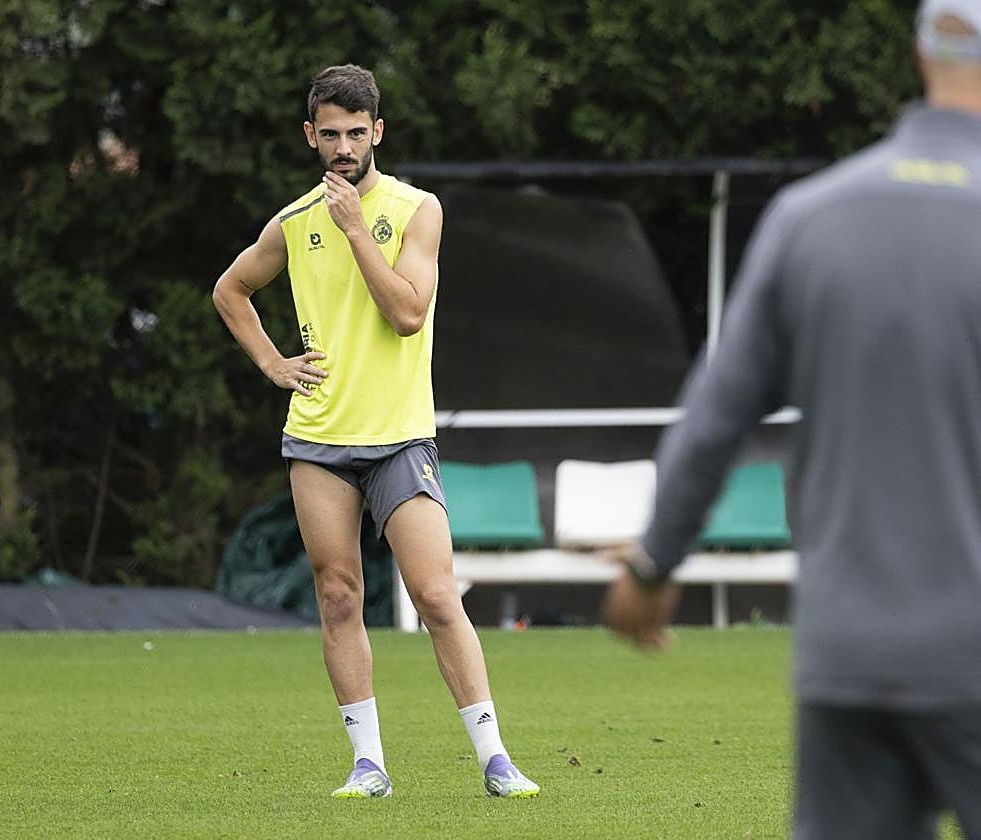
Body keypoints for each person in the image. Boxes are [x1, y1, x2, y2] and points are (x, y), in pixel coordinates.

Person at [603, 1, 981, 836]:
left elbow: (713, 418)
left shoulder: (812, 217)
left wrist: (654, 563)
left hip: (848, 652)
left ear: (920, 60)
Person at [213, 64, 539, 799]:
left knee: (434, 594)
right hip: (320, 441)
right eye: (329, 134)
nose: (342, 147)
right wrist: (272, 364)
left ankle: (495, 757)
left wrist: (357, 229)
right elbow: (229, 290)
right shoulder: (293, 223)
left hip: (399, 437)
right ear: (310, 135)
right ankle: (369, 765)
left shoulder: (417, 209)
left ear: (378, 133)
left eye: (356, 134)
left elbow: (407, 313)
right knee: (336, 595)